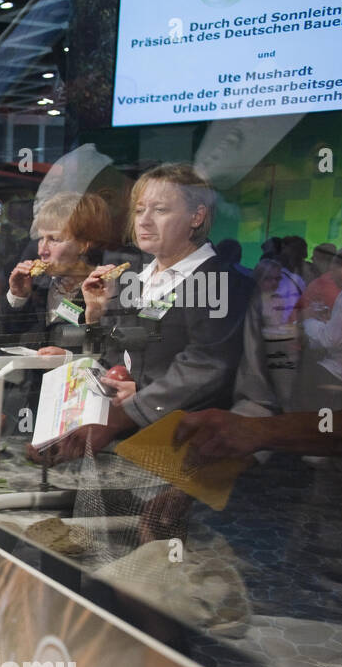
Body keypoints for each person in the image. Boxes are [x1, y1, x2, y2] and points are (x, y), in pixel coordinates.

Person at [37, 163, 251, 463]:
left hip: (182, 452)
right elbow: (116, 356)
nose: (145, 221)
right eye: (139, 211)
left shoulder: (218, 281)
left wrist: (124, 411)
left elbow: (205, 367)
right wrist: (95, 318)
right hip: (121, 447)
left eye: (160, 210)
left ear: (196, 217)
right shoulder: (134, 277)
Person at [3, 190, 121, 354]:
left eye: (54, 240)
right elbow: (4, 336)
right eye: (41, 238)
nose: (42, 250)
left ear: (83, 245)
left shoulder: (105, 289)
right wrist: (17, 296)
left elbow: (114, 351)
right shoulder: (37, 284)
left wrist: (70, 358)